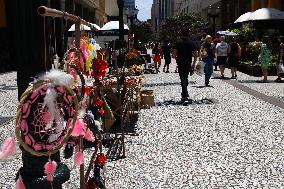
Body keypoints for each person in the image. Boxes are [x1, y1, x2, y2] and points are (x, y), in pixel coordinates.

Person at [173, 29, 198, 101]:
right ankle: (185, 90)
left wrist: (176, 59)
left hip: (180, 62)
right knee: (186, 76)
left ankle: (184, 90)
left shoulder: (178, 42)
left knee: (182, 76)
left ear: (181, 34)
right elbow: (196, 54)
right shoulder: (191, 43)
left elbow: (174, 54)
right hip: (188, 62)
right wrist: (194, 64)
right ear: (188, 34)